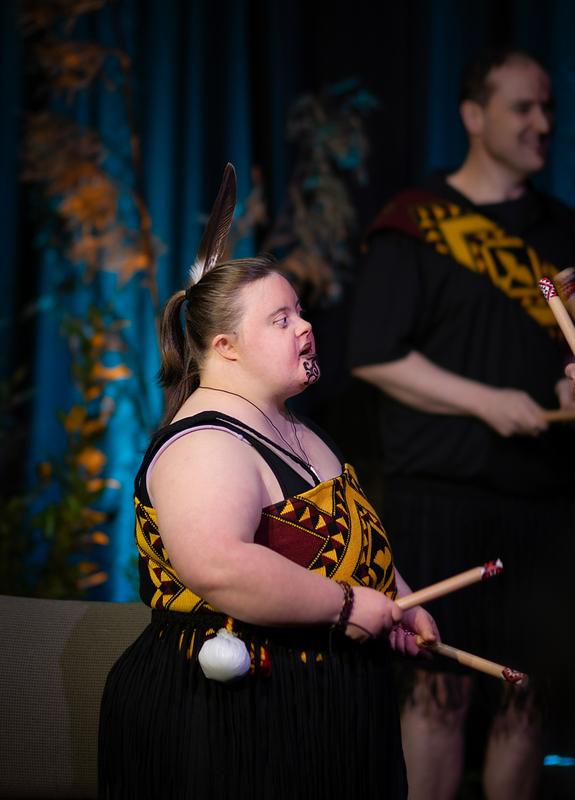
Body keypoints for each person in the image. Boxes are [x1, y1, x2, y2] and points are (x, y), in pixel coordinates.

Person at [97, 164, 438, 800]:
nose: (306, 327)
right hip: (234, 718)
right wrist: (346, 606)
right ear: (225, 347)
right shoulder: (205, 443)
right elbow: (219, 565)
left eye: (300, 312)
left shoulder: (293, 427)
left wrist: (398, 596)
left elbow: (345, 540)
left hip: (326, 708)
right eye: (281, 320)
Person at [348, 48, 575, 800]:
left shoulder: (562, 235)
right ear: (473, 115)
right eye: (522, 107)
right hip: (438, 502)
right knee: (436, 698)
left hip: (544, 505)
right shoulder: (412, 224)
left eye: (548, 107)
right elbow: (374, 355)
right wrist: (483, 399)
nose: (542, 123)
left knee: (527, 701)